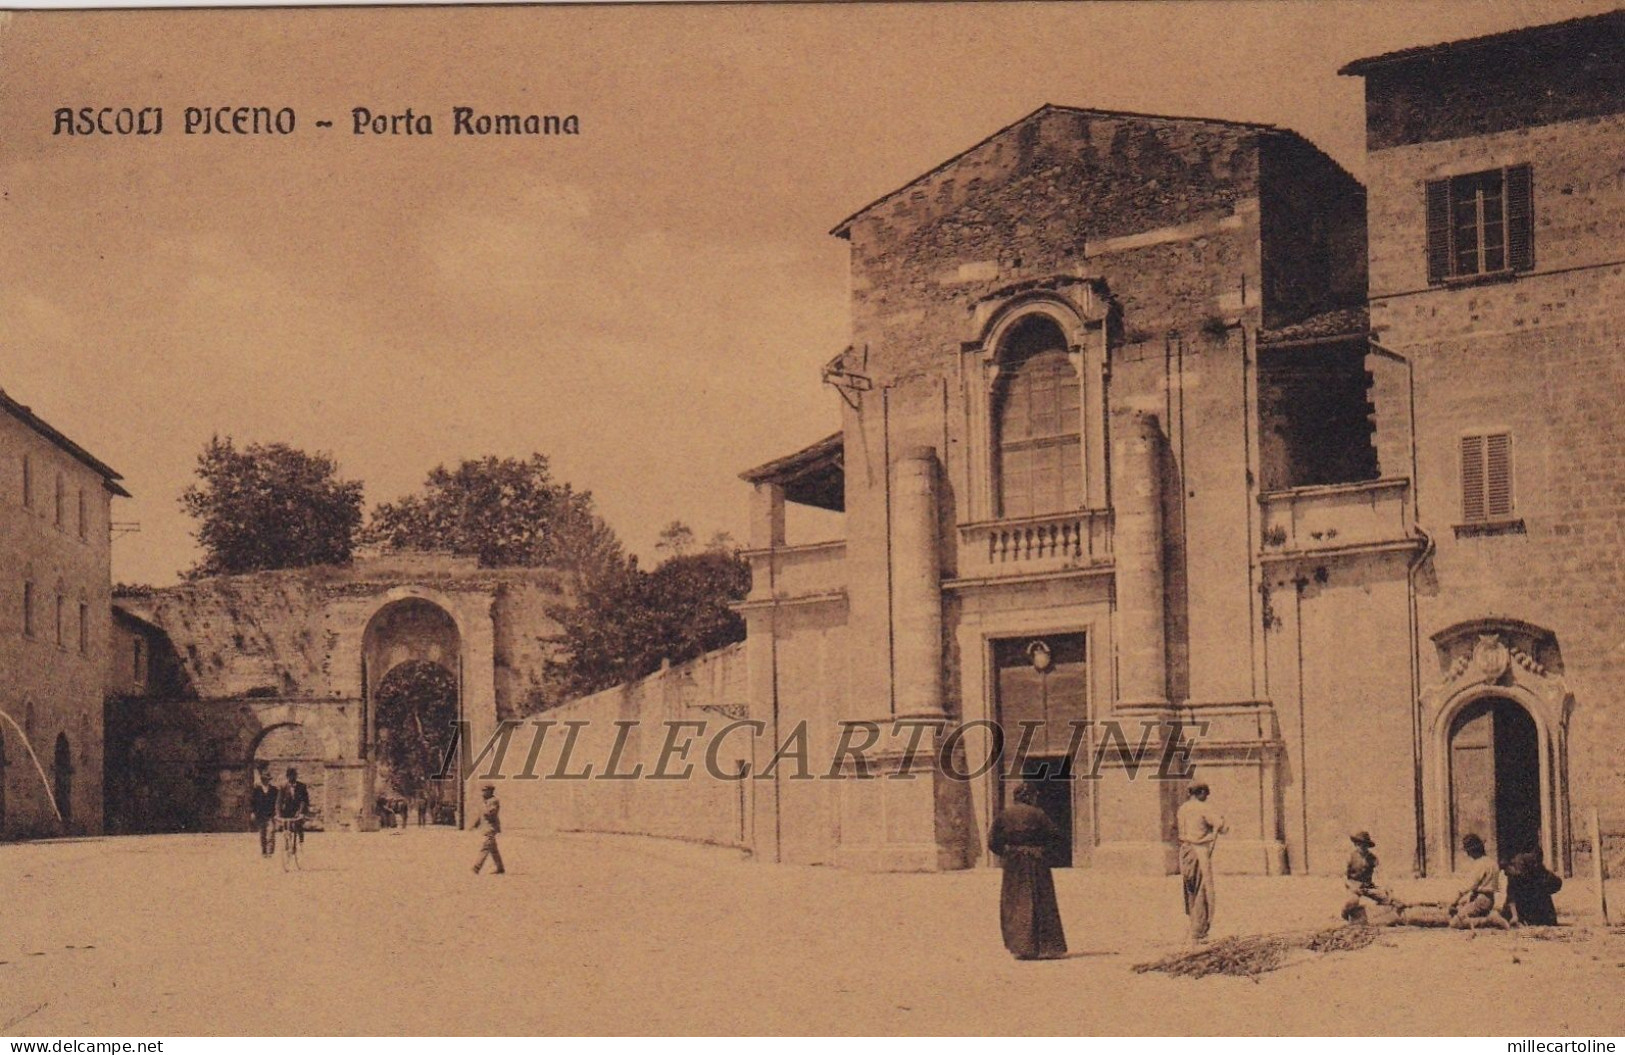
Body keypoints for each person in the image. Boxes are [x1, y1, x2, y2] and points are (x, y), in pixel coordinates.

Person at [987, 781, 1068, 960]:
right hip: (1036, 862)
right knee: (1041, 901)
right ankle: (1046, 947)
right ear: (1029, 796)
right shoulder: (1039, 814)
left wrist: (1007, 853)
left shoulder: (1004, 815)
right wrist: (1044, 851)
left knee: (1015, 902)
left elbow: (993, 841)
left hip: (1014, 864)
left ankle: (1021, 946)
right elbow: (1055, 836)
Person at [1176, 781, 1227, 943]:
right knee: (1201, 890)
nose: (1207, 797)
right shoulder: (1203, 808)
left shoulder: (1182, 808)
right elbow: (1222, 827)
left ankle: (1194, 925)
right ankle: (1199, 931)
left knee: (1190, 889)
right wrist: (1221, 822)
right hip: (1198, 851)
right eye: (1206, 793)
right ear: (1200, 793)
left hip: (1184, 851)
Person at [1449, 833, 1509, 930]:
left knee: (1454, 923)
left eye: (1468, 851)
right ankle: (1487, 919)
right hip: (1489, 899)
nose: (1468, 854)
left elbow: (1468, 886)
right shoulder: (1492, 863)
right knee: (1466, 913)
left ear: (1473, 850)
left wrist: (1454, 903)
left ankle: (1489, 921)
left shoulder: (1480, 864)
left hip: (1480, 900)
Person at [1341, 830, 1403, 921]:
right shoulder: (1349, 857)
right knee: (1353, 901)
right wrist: (1351, 886)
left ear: (1367, 846)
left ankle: (1376, 915)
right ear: (1355, 844)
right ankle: (1345, 915)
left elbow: (1381, 873)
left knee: (1389, 900)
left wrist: (1388, 888)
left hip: (1368, 886)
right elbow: (1344, 876)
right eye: (1359, 844)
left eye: (1364, 845)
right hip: (1354, 885)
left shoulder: (1372, 858)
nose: (1362, 847)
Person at [1503, 848, 1562, 926]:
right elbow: (1511, 897)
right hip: (1530, 913)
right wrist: (1515, 916)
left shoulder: (1539, 872)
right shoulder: (1518, 870)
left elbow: (1556, 883)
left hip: (1539, 914)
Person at [472, 783, 505, 875]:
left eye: (485, 790)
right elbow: (481, 815)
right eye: (482, 790)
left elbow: (492, 812)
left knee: (485, 847)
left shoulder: (494, 800)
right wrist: (476, 823)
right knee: (493, 850)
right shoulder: (484, 801)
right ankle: (500, 868)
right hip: (486, 828)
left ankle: (476, 867)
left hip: (491, 828)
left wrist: (486, 811)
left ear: (490, 791)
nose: (483, 793)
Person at [276, 766, 312, 848]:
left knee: (298, 825)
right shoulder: (283, 787)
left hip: (298, 810)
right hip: (286, 811)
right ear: (287, 777)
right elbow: (279, 801)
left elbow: (304, 801)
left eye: (293, 776)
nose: (291, 778)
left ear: (296, 776)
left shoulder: (302, 786)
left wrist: (301, 812)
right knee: (285, 827)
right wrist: (278, 814)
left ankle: (300, 842)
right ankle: (286, 843)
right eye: (289, 776)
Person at [249, 767, 278, 857]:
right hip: (260, 814)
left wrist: (277, 813)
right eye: (264, 779)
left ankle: (270, 851)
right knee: (262, 833)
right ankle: (264, 851)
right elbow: (252, 802)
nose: (266, 781)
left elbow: (277, 802)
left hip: (270, 814)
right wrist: (253, 812)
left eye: (267, 779)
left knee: (271, 831)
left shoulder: (274, 790)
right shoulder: (256, 790)